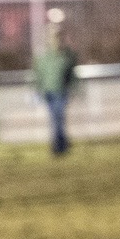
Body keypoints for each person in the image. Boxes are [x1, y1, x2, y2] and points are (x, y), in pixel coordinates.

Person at [32, 23, 78, 156]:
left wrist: (74, 88)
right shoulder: (44, 56)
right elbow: (38, 74)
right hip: (49, 92)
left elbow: (71, 73)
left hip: (61, 91)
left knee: (58, 117)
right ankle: (60, 144)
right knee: (55, 118)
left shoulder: (66, 55)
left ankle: (59, 145)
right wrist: (36, 90)